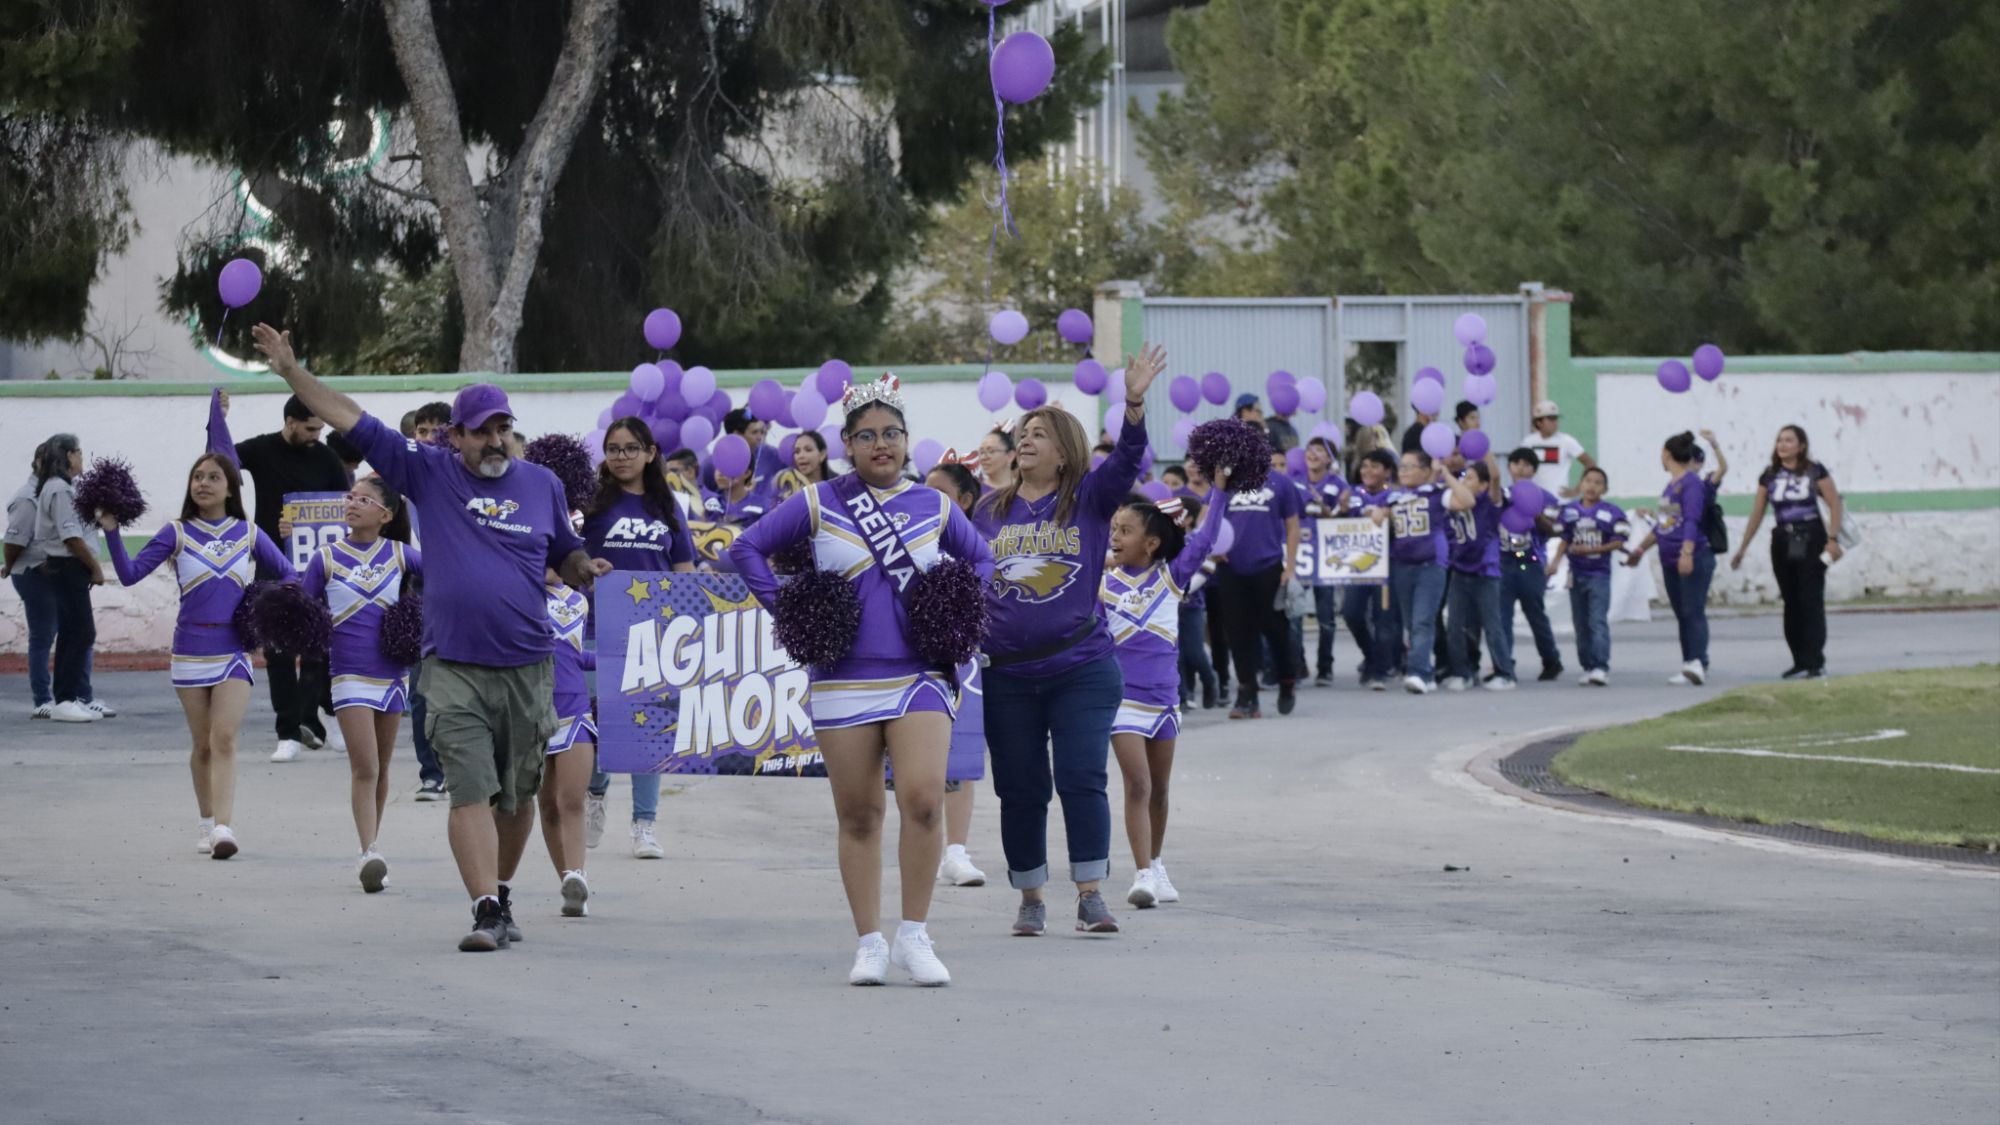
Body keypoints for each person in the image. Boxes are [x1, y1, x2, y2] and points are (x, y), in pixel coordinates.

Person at [252, 322, 610, 953]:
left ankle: (500, 892)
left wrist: (585, 570)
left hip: (530, 667)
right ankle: (483, 911)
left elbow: (567, 550)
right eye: (483, 430)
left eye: (504, 427)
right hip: (451, 666)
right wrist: (289, 369)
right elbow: (352, 417)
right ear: (456, 436)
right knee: (470, 786)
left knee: (517, 795)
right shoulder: (428, 472)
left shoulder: (540, 484)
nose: (496, 439)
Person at [731, 374, 995, 987]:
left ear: (908, 442)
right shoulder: (821, 501)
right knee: (859, 816)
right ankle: (870, 941)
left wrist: (957, 604)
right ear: (847, 443)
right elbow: (745, 549)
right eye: (868, 435)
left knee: (926, 801)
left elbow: (981, 557)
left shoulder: (934, 504)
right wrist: (792, 610)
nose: (883, 444)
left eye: (893, 434)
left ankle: (915, 934)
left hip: (920, 675)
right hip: (841, 679)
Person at [975, 342, 1166, 938]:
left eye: (1039, 433)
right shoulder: (986, 512)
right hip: (1007, 675)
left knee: (1081, 777)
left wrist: (1132, 401)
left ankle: (1090, 894)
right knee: (1021, 789)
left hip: (1081, 667)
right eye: (1022, 432)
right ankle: (1030, 896)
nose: (1025, 440)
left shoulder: (1089, 498)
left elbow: (1130, 458)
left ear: (1064, 453)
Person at [103, 453, 292, 859]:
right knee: (202, 745)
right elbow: (129, 574)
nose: (203, 483)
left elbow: (290, 575)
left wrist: (264, 607)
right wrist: (112, 532)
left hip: (234, 652)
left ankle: (224, 827)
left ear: (230, 487)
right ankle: (207, 823)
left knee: (223, 738)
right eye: (197, 477)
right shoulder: (177, 532)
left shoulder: (249, 533)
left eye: (213, 477)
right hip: (189, 651)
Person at [579, 418, 697, 861]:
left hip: (655, 634)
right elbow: (569, 561)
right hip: (595, 631)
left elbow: (686, 572)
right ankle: (595, 793)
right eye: (613, 448)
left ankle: (644, 826)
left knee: (651, 734)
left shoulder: (668, 508)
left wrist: (687, 631)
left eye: (631, 448)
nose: (621, 456)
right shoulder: (591, 506)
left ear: (650, 452)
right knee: (594, 727)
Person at [299, 476, 421, 891]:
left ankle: (372, 848)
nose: (352, 504)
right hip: (348, 675)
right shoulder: (326, 558)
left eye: (363, 499)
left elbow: (446, 581)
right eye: (350, 497)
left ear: (385, 515)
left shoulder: (402, 554)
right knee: (365, 766)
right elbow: (302, 610)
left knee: (382, 768)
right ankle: (367, 851)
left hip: (393, 675)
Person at [1106, 492, 1225, 908]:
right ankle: (1141, 874)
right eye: (1113, 530)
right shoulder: (1101, 582)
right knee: (1137, 783)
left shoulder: (1169, 577)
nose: (1115, 538)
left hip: (1164, 701)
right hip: (1122, 701)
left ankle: (1156, 865)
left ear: (1151, 542)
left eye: (1125, 531)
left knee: (1159, 790)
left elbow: (1207, 537)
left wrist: (1220, 489)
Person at [229, 392, 350, 762]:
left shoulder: (328, 459)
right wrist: (218, 419)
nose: (316, 435)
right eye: (310, 428)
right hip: (271, 559)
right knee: (278, 651)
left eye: (320, 429)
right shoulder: (262, 450)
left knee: (317, 647)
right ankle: (289, 732)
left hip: (316, 563)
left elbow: (342, 511)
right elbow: (221, 458)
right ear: (290, 421)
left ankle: (313, 717)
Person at [921, 460, 994, 888]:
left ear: (965, 502)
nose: (927, 501)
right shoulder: (908, 544)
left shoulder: (977, 551)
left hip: (960, 665)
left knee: (960, 761)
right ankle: (922, 848)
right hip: (907, 666)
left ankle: (956, 853)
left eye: (940, 494)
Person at [7, 436, 109, 721]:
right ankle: (61, 699)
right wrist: (96, 568)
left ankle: (73, 696)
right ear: (67, 455)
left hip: (66, 567)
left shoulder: (63, 488)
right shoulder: (57, 489)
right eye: (78, 452)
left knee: (73, 632)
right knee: (77, 632)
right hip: (63, 566)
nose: (81, 458)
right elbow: (71, 537)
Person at [1732, 425, 1844, 679]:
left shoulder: (1815, 470)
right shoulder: (1770, 475)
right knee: (1791, 600)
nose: (1782, 445)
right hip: (1784, 538)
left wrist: (1833, 538)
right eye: (1779, 440)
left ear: (1801, 446)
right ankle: (1799, 659)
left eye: (1789, 440)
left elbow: (1834, 503)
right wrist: (1743, 547)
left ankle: (1816, 660)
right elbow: (1758, 512)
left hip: (1811, 535)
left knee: (1810, 598)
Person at [1365, 449, 1479, 693]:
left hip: (1431, 564)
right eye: (1402, 467)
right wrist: (1377, 513)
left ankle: (1417, 672)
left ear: (1426, 471)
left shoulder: (1437, 493)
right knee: (1411, 622)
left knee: (1422, 621)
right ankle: (1425, 673)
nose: (1404, 472)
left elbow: (1467, 500)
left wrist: (1446, 474)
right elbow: (1377, 516)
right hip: (1402, 565)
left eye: (1410, 467)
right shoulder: (1395, 497)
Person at [1214, 449, 1303, 718]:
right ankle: (1247, 694)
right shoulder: (1226, 482)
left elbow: (1293, 526)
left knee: (1276, 629)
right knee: (1238, 633)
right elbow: (1208, 516)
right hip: (1230, 568)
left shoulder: (1280, 482)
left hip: (1269, 567)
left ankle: (1287, 680)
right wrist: (1212, 546)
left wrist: (1290, 567)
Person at [1624, 431, 1712, 685]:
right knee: (1682, 612)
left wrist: (1687, 553)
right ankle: (1690, 663)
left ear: (1667, 455)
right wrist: (1639, 551)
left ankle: (1697, 661)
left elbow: (1692, 519)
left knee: (1693, 609)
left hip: (1691, 556)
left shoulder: (1691, 483)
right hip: (1668, 558)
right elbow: (1664, 524)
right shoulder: (1671, 486)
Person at [536, 567, 597, 917]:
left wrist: (610, 659)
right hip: (533, 710)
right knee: (547, 804)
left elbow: (573, 655)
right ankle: (568, 885)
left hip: (574, 708)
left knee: (572, 799)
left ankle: (577, 876)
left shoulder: (580, 600)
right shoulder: (520, 595)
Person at [1549, 467, 1628, 685]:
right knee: (1580, 623)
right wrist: (1555, 563)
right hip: (1576, 574)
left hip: (1599, 574)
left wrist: (1594, 550)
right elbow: (1564, 538)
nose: (1592, 486)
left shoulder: (1612, 512)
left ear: (1605, 488)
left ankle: (1601, 666)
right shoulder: (1569, 511)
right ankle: (1588, 665)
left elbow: (1620, 541)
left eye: (1598, 483)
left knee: (1597, 620)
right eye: (1588, 481)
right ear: (1580, 485)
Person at [1443, 455, 1514, 691]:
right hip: (1460, 569)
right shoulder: (1456, 501)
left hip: (1486, 571)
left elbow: (1495, 476)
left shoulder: (1489, 501)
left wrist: (1486, 451)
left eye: (1470, 478)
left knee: (1492, 624)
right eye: (1464, 477)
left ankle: (1505, 673)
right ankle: (1462, 672)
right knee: (1455, 625)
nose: (1464, 480)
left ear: (1482, 485)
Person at [1501, 447, 1566, 681]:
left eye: (1526, 464)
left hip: (1530, 561)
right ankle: (1504, 663)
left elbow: (1557, 529)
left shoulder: (1545, 498)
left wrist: (1536, 513)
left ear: (1534, 470)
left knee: (1535, 613)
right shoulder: (1502, 495)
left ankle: (1551, 659)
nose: (1520, 467)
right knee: (1502, 615)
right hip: (1504, 560)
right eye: (1515, 463)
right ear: (1509, 467)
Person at [1339, 448, 1400, 690]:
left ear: (1387, 472)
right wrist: (1342, 510)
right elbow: (1336, 526)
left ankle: (1380, 670)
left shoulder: (1395, 497)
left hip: (1387, 565)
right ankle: (1371, 655)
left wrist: (1388, 516)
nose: (1368, 471)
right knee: (1351, 613)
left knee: (1384, 618)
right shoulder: (1351, 495)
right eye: (1364, 466)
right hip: (1358, 568)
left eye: (1375, 466)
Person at [1292, 436, 1348, 687]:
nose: (1312, 454)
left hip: (1326, 557)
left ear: (1329, 458)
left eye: (1319, 450)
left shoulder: (1339, 485)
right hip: (1300, 555)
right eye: (1309, 450)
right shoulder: (1295, 483)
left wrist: (1331, 508)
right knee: (1293, 613)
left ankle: (1325, 666)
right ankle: (1299, 663)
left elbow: (1342, 521)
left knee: (1326, 616)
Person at [1174, 495, 1221, 710]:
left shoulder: (1196, 539)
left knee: (1194, 651)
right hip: (1171, 606)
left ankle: (1210, 681)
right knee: (1175, 654)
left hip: (1192, 606)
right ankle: (1181, 696)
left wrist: (1180, 589)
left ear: (1189, 518)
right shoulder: (1168, 539)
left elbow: (1205, 570)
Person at [1520, 400, 1597, 498]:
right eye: (1551, 418)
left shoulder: (1566, 441)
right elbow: (1519, 466)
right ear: (1538, 422)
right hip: (1534, 498)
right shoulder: (1528, 442)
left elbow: (1590, 463)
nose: (1555, 422)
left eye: (1556, 418)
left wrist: (1577, 490)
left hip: (1558, 500)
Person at [701, 407, 785, 491]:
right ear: (737, 434)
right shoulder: (712, 463)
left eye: (762, 432)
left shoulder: (772, 455)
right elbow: (701, 494)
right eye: (754, 432)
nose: (760, 437)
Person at [773, 430, 835, 501]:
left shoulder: (836, 486)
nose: (801, 456)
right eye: (797, 451)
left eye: (808, 450)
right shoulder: (786, 484)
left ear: (822, 455)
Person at [978, 426, 1017, 492]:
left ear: (1010, 456)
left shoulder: (1024, 492)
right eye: (982, 452)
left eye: (991, 451)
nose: (984, 458)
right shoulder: (976, 493)